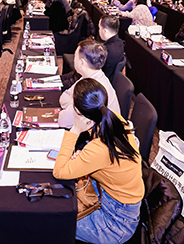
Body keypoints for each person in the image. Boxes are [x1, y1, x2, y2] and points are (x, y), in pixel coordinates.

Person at [52, 78, 144, 244]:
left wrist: (75, 130)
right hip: (113, 199)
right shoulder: (113, 119)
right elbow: (104, 161)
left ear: (79, 112)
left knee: (55, 222)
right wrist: (85, 157)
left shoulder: (99, 148)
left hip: (116, 222)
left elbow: (59, 172)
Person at [59, 40, 120, 128]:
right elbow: (64, 96)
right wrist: (73, 105)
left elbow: (63, 121)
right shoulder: (90, 76)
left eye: (75, 56)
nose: (74, 58)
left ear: (82, 63)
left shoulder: (91, 88)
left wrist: (72, 105)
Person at [98, 15, 125, 79]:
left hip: (104, 80)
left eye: (99, 28)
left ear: (105, 31)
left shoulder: (105, 50)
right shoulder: (121, 43)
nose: (99, 30)